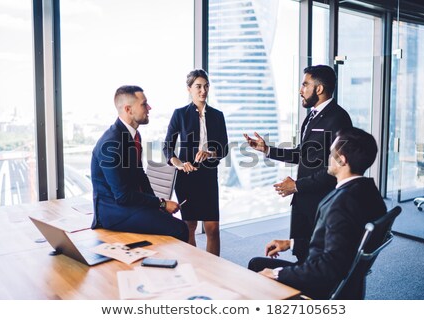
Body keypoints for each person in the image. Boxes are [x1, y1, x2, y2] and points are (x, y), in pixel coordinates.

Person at [249, 127, 387, 299]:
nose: (328, 158)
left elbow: (326, 269)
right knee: (258, 264)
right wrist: (291, 243)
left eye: (331, 153)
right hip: (349, 284)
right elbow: (342, 247)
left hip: (322, 286)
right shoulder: (370, 193)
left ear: (341, 160)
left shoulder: (341, 204)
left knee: (257, 267)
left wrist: (277, 274)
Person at [244, 65, 352, 263]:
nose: (300, 90)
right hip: (303, 200)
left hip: (321, 203)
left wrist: (295, 185)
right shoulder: (311, 117)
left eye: (305, 84)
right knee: (302, 255)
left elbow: (337, 169)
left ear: (319, 89)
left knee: (316, 258)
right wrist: (267, 150)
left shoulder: (339, 119)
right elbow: (302, 154)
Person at [91, 85, 189, 242]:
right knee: (180, 228)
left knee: (167, 221)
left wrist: (158, 205)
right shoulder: (110, 144)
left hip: (128, 205)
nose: (149, 108)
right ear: (128, 109)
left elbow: (140, 175)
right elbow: (122, 196)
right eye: (144, 104)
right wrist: (162, 204)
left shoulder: (133, 136)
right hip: (113, 212)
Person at [163, 69, 228, 256]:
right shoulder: (180, 114)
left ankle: (214, 269)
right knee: (189, 226)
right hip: (187, 177)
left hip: (208, 176)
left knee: (213, 228)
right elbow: (167, 147)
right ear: (189, 89)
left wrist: (210, 153)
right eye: (198, 86)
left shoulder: (217, 115)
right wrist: (179, 164)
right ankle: (195, 268)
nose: (203, 91)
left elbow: (224, 148)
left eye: (206, 86)